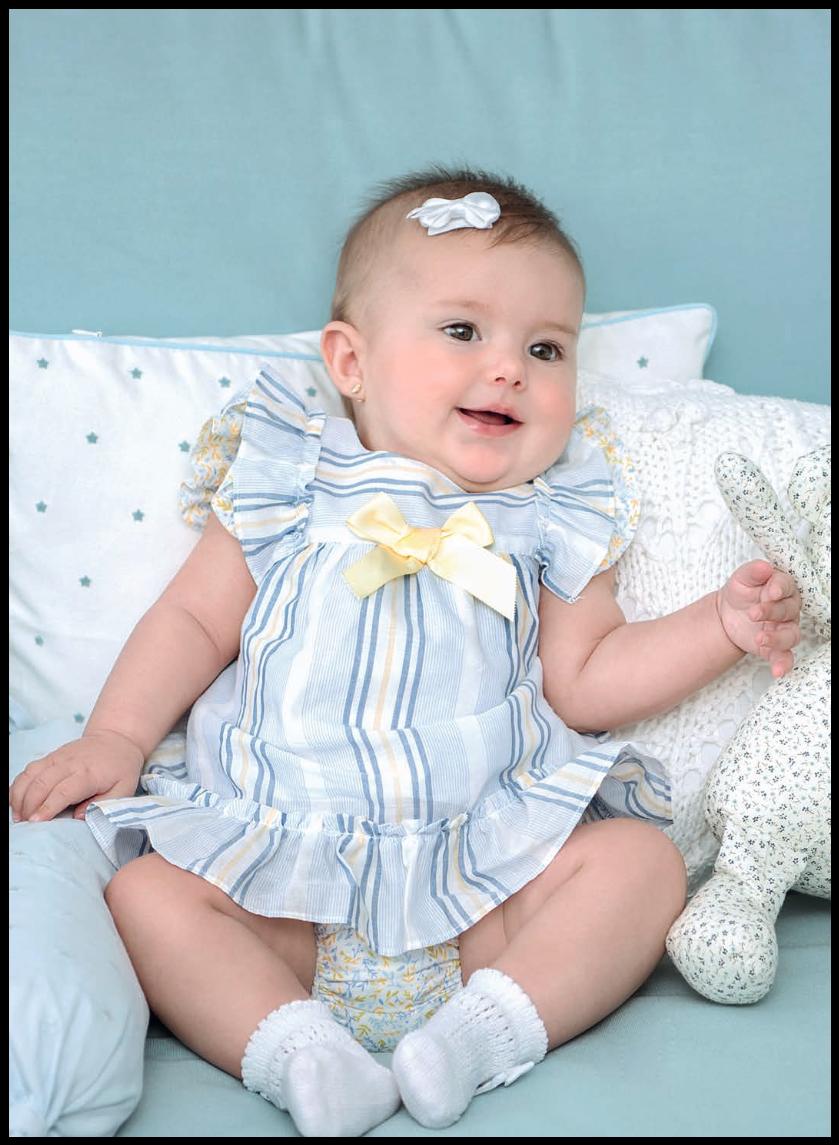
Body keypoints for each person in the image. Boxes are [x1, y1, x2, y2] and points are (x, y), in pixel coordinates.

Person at [9, 167, 801, 1137]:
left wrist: (717, 625)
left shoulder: (554, 510)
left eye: (544, 347)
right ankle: (300, 1052)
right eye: (462, 330)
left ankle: (479, 1035)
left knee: (642, 864)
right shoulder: (288, 474)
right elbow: (191, 622)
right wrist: (117, 737)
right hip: (277, 886)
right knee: (144, 893)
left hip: (485, 890)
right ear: (349, 360)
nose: (508, 369)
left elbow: (587, 680)